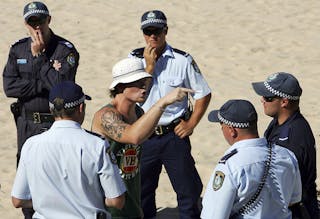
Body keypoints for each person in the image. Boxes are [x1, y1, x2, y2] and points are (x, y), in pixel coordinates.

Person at [129, 10, 212, 219]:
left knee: (188, 192)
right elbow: (132, 95)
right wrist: (148, 67)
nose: (152, 36)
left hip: (173, 134)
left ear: (166, 31)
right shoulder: (134, 60)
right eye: (148, 31)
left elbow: (204, 93)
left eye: (157, 31)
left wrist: (191, 123)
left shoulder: (182, 60)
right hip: (144, 136)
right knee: (142, 192)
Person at [91, 58, 194, 219]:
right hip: (110, 208)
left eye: (144, 81)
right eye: (137, 82)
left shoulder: (138, 113)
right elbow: (134, 136)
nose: (143, 86)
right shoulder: (106, 116)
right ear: (121, 86)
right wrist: (163, 102)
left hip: (132, 203)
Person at [3, 3, 79, 217]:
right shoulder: (18, 49)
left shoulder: (65, 50)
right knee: (27, 176)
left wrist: (39, 58)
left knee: (57, 176)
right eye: (31, 22)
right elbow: (9, 87)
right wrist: (42, 83)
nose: (37, 27)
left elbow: (60, 87)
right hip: (26, 123)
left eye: (41, 21)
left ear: (49, 20)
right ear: (25, 24)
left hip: (56, 122)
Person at [11, 81, 126, 219]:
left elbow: (18, 200)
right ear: (81, 108)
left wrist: (51, 203)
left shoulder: (31, 145)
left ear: (51, 110)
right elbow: (117, 201)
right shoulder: (97, 145)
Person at [201, 99, 302, 219]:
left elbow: (214, 215)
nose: (221, 130)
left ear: (232, 130)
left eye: (222, 126)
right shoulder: (287, 155)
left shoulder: (230, 165)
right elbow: (294, 199)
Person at [252, 72, 319, 218]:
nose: (262, 100)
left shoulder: (292, 137)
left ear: (284, 102)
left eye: (268, 97)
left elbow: (285, 188)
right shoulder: (279, 122)